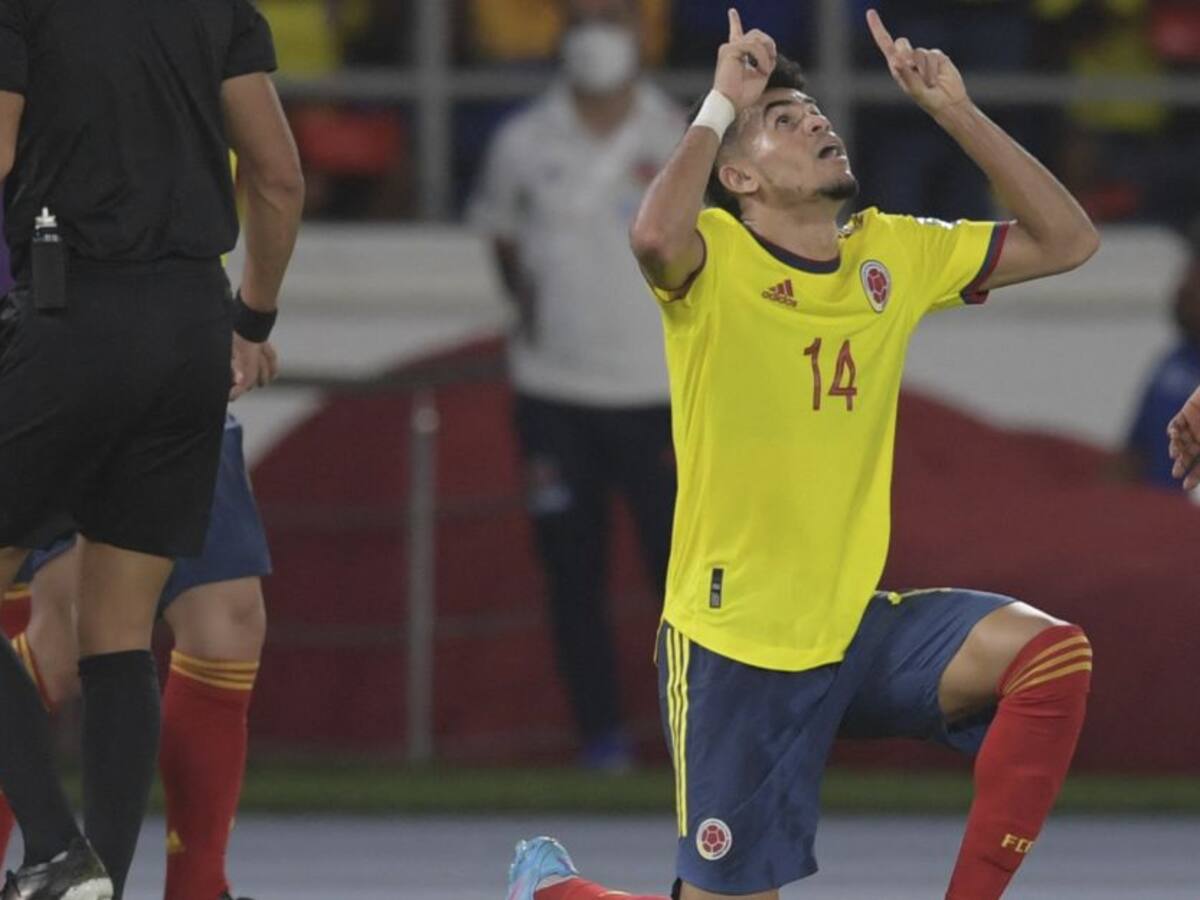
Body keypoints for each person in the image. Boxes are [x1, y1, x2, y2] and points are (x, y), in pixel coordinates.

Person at [508, 6, 1099, 900]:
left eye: (815, 113)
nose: (817, 122)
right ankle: (554, 895)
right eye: (785, 121)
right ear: (737, 174)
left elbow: (1069, 240)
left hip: (851, 628)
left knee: (1050, 655)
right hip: (733, 646)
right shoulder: (716, 262)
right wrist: (718, 103)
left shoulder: (891, 253)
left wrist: (956, 112)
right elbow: (652, 239)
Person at [0, 0, 303, 895]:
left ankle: (56, 852)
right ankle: (102, 877)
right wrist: (251, 316)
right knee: (118, 630)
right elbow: (279, 176)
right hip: (190, 331)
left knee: (70, 616)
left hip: (70, 313)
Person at [470, 0, 683, 769]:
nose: (599, 34)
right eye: (586, 16)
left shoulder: (682, 138)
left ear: (640, 34)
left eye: (614, 16)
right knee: (572, 580)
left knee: (686, 588)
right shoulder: (523, 143)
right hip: (554, 397)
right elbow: (501, 240)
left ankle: (694, 738)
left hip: (661, 397)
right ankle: (601, 740)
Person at [0, 413, 271, 900]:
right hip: (71, 378)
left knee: (228, 622)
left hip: (185, 381)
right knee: (65, 642)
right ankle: (57, 868)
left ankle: (199, 889)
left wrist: (248, 333)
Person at [1121, 235, 1200, 487]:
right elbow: (1135, 450)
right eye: (1185, 280)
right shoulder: (1172, 362)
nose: (1182, 292)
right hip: (1155, 514)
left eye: (1195, 284)